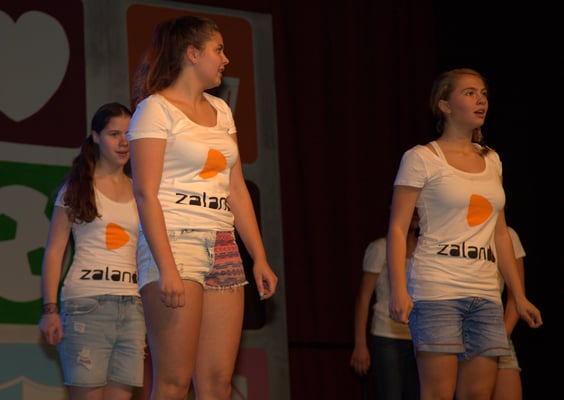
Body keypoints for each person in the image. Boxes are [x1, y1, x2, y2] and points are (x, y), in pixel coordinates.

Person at [127, 15, 278, 400]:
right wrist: (166, 267)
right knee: (174, 382)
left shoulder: (221, 110)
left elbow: (236, 190)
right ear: (192, 54)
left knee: (216, 383)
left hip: (223, 244)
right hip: (175, 243)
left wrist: (258, 257)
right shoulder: (155, 110)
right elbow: (145, 193)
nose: (225, 59)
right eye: (218, 50)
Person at [386, 68, 542, 400]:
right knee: (438, 393)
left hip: (485, 294)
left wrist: (518, 296)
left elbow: (500, 235)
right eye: (469, 93)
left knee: (478, 394)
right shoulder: (421, 158)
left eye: (483, 94)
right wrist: (398, 290)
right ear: (444, 105)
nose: (480, 100)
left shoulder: (492, 160)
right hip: (436, 290)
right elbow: (398, 228)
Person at [38, 102, 145, 400]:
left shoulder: (141, 190)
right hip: (86, 305)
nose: (123, 142)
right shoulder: (76, 188)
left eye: (129, 134)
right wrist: (50, 310)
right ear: (96, 137)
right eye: (114, 134)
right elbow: (54, 252)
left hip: (133, 307)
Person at [350, 209, 420, 400]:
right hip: (387, 337)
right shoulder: (381, 248)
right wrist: (360, 344)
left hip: (418, 339)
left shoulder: (425, 251)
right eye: (411, 209)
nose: (415, 213)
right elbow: (363, 297)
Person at [492, 225, 526, 400]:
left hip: (495, 331)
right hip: (454, 329)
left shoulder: (507, 235)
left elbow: (516, 299)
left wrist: (501, 337)